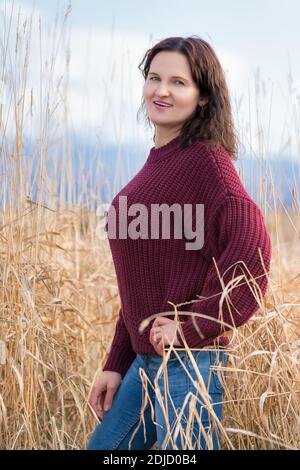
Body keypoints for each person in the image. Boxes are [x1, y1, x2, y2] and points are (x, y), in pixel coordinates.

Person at [86, 35, 272, 450]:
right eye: (154, 78)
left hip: (189, 365)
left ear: (203, 96)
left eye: (178, 82)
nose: (161, 90)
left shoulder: (207, 163)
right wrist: (116, 363)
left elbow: (251, 255)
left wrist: (192, 328)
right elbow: (142, 285)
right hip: (144, 364)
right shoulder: (155, 167)